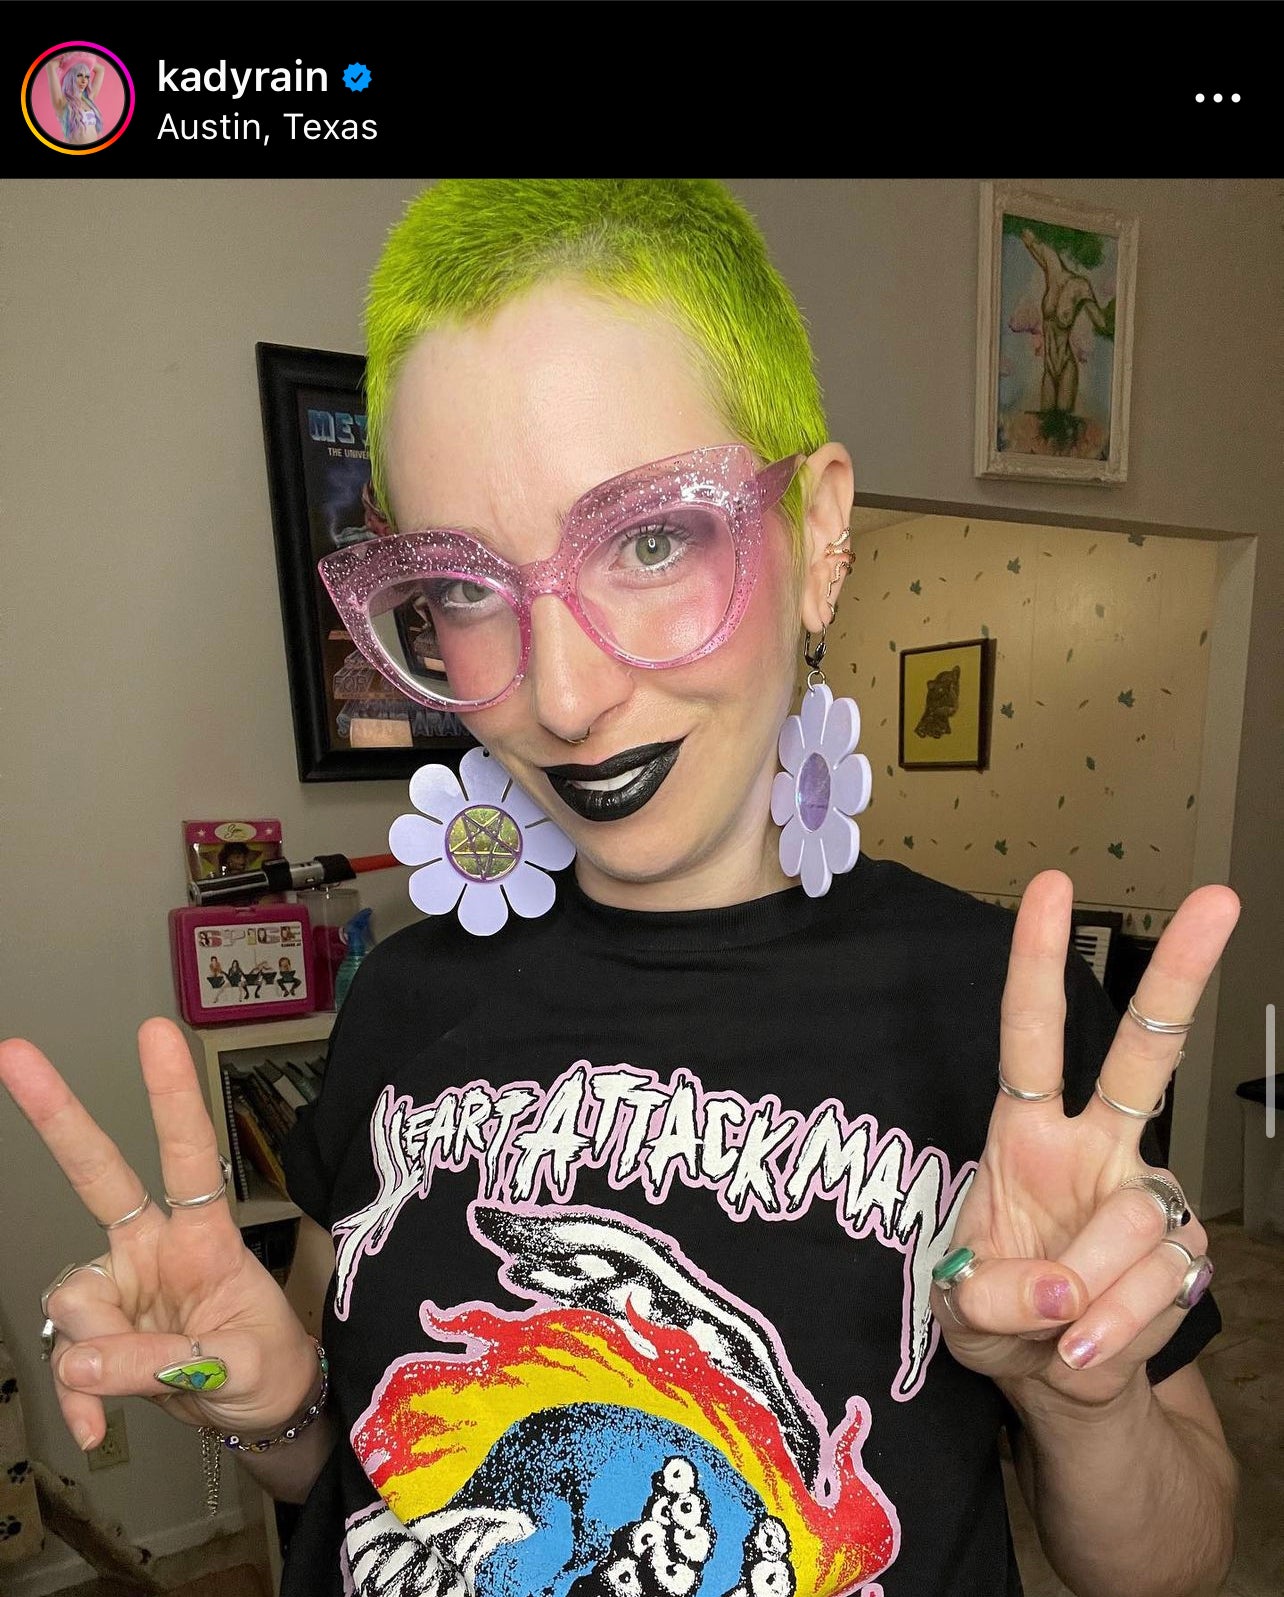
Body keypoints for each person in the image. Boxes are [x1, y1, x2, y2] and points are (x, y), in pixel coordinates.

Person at [0, 181, 1240, 1596]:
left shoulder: (996, 1017)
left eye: (652, 539)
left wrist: (1088, 1403)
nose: (567, 697)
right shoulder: (401, 1000)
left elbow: (1178, 1562)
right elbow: (358, 1472)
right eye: (468, 590)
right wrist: (279, 1405)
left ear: (821, 533)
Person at [43, 55, 104, 147]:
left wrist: (82, 57)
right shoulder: (62, 102)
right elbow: (50, 65)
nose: (84, 80)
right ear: (70, 77)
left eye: (87, 77)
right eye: (79, 75)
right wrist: (69, 59)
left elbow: (101, 69)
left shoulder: (89, 99)